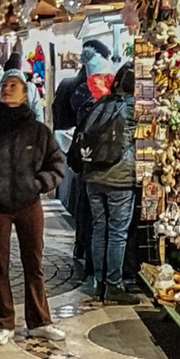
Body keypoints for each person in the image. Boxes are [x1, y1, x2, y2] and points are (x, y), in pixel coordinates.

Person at [0, 68, 67, 345]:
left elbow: (57, 164)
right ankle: (2, 322)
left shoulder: (38, 131)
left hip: (29, 205)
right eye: (4, 84)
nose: (7, 88)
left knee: (34, 263)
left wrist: (38, 184)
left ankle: (39, 321)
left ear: (25, 95)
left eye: (14, 85)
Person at [78, 62, 143, 304]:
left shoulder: (101, 104)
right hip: (119, 178)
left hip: (92, 175)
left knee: (99, 228)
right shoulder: (134, 109)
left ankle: (97, 280)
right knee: (117, 233)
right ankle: (114, 284)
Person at [54, 38, 111, 287]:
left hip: (79, 154)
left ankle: (82, 250)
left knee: (84, 207)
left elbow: (61, 117)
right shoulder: (95, 89)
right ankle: (93, 263)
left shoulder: (70, 84)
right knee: (95, 215)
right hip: (97, 158)